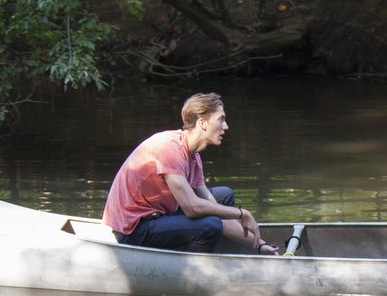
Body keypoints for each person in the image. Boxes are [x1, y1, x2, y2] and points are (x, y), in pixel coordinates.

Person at [103, 93, 278, 254]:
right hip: (133, 230)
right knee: (210, 225)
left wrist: (260, 244)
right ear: (202, 123)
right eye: (221, 119)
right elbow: (192, 207)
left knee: (223, 197)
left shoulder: (193, 156)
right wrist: (243, 213)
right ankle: (192, 269)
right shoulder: (169, 148)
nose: (226, 127)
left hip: (158, 216)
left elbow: (212, 205)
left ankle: (197, 246)